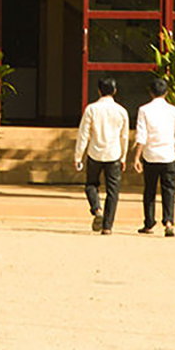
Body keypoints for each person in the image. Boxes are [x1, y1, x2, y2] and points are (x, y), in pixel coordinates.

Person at [131, 78, 175, 238]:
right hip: (168, 155)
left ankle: (149, 223)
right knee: (169, 190)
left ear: (150, 92)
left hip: (150, 156)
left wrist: (137, 157)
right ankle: (168, 222)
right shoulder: (174, 111)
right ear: (166, 92)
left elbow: (141, 136)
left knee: (149, 190)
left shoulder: (144, 110)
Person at [74, 78, 130, 236]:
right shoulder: (121, 111)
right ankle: (107, 226)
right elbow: (124, 136)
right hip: (114, 154)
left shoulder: (91, 109)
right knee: (113, 190)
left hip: (95, 153)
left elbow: (83, 134)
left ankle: (97, 209)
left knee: (91, 184)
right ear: (115, 91)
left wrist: (78, 156)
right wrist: (124, 156)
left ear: (99, 91)